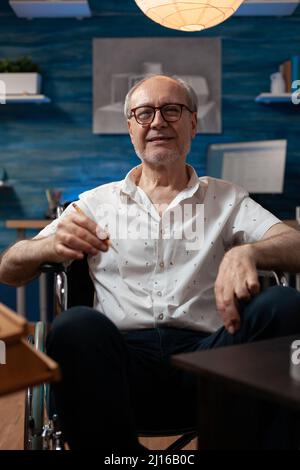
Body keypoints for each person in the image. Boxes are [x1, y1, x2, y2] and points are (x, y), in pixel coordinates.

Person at [1, 75, 300, 451]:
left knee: (283, 304)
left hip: (213, 361)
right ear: (130, 128)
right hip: (117, 364)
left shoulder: (226, 198)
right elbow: (8, 267)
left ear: (193, 123)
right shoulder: (96, 203)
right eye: (144, 113)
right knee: (74, 324)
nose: (158, 122)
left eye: (171, 110)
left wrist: (249, 252)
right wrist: (47, 247)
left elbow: (295, 243)